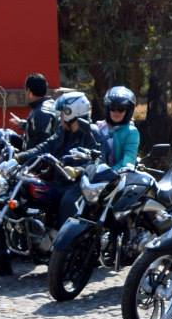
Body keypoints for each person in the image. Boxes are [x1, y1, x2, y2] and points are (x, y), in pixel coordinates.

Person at [31, 90, 106, 227]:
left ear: (71, 113)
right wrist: (19, 157)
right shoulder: (63, 131)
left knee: (68, 201)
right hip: (60, 180)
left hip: (80, 184)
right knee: (33, 191)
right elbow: (44, 147)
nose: (60, 117)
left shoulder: (91, 132)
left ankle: (64, 243)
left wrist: (77, 170)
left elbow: (99, 161)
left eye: (62, 113)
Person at [98, 85, 141, 170]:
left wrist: (109, 174)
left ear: (128, 111)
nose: (116, 112)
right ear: (108, 109)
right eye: (113, 108)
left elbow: (128, 160)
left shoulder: (131, 132)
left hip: (120, 178)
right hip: (94, 176)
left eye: (121, 109)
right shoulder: (98, 127)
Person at [21, 72, 55, 149]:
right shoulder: (51, 104)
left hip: (38, 159)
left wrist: (21, 157)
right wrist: (24, 124)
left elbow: (42, 146)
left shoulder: (40, 113)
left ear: (29, 91)